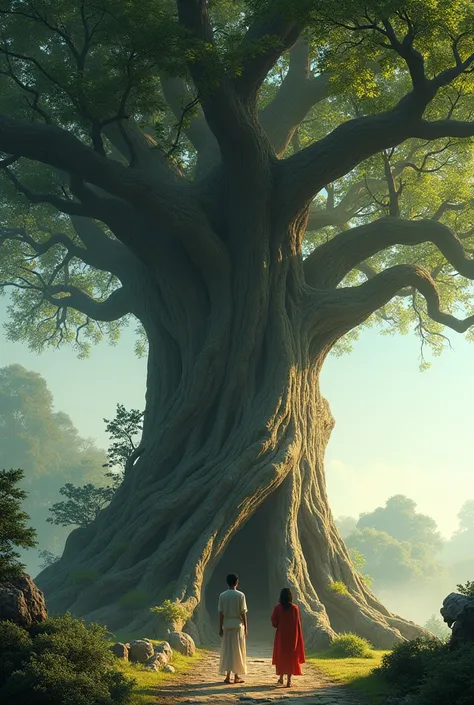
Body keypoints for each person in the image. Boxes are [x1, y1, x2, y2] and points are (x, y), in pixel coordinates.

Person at [271, 587, 305, 688]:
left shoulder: (278, 608)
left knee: (281, 656)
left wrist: (279, 625)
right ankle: (289, 681)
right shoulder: (295, 608)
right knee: (290, 656)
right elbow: (297, 624)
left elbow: (274, 622)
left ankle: (281, 678)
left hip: (281, 636)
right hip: (292, 636)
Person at [218, 573, 248, 684]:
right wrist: (246, 627)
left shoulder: (222, 595)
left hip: (226, 625)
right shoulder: (240, 595)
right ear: (236, 582)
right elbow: (243, 613)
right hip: (237, 626)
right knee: (238, 650)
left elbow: (220, 613)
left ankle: (227, 676)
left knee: (227, 650)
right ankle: (236, 676)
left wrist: (220, 627)